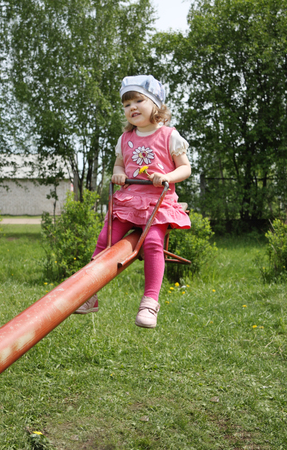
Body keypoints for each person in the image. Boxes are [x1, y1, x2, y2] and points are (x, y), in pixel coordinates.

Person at [74, 74, 191, 328]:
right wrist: (119, 172)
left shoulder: (169, 136)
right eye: (127, 104)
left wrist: (168, 176)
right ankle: (87, 294)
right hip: (127, 202)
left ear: (157, 105)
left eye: (139, 100)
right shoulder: (125, 138)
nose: (132, 107)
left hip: (157, 204)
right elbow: (120, 162)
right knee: (105, 241)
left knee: (151, 243)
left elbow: (185, 168)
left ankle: (150, 302)